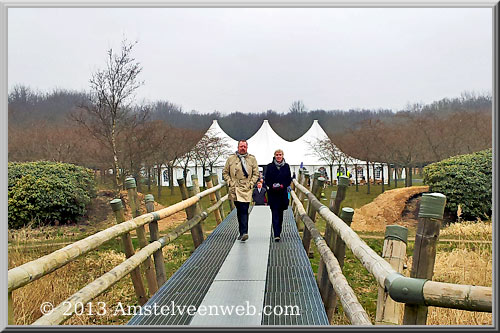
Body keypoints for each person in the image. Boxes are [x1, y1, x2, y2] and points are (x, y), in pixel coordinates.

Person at [223, 140, 259, 242]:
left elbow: (256, 173)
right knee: (239, 209)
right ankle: (241, 231)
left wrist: (251, 183)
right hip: (235, 187)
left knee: (244, 209)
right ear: (238, 147)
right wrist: (230, 182)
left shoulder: (252, 159)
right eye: (241, 146)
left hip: (246, 188)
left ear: (247, 147)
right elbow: (225, 172)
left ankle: (244, 232)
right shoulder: (231, 158)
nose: (242, 148)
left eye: (244, 146)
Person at [265, 149, 292, 242]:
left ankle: (279, 231)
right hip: (273, 194)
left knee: (280, 214)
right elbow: (267, 179)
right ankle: (276, 234)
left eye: (280, 155)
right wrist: (272, 185)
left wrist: (282, 185)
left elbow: (289, 179)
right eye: (277, 155)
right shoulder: (270, 166)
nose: (278, 156)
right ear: (274, 156)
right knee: (274, 213)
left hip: (282, 193)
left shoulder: (286, 166)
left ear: (283, 156)